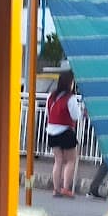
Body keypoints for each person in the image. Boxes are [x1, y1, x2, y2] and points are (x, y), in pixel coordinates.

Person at [45, 70, 85, 198]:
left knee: (58, 160)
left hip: (51, 131)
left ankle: (56, 189)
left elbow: (47, 113)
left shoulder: (51, 96)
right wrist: (83, 113)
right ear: (70, 83)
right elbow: (75, 116)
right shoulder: (71, 98)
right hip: (66, 131)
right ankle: (66, 188)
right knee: (71, 160)